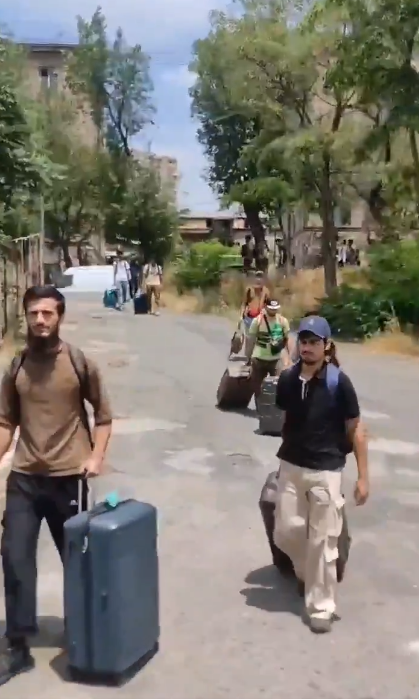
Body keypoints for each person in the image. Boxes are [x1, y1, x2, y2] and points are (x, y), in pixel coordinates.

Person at [0, 285, 112, 685]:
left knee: (78, 563)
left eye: (47, 313)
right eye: (34, 313)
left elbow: (103, 416)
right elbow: (6, 421)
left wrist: (96, 457)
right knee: (14, 558)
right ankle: (18, 646)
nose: (40, 320)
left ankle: (85, 635)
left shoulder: (79, 363)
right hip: (25, 478)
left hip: (70, 479)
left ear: (60, 316)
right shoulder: (17, 366)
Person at [273, 316, 369, 634]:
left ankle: (321, 606)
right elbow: (286, 418)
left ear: (327, 346)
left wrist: (363, 477)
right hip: (291, 466)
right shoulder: (288, 380)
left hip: (326, 471)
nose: (308, 347)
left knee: (322, 543)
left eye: (314, 342)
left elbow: (356, 429)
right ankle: (307, 573)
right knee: (285, 532)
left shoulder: (339, 383)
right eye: (304, 341)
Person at [245, 299, 292, 402]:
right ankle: (259, 405)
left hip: (276, 359)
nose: (273, 311)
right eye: (271, 309)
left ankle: (273, 407)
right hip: (259, 359)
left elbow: (287, 340)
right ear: (266, 307)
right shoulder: (257, 321)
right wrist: (248, 358)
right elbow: (251, 340)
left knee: (278, 386)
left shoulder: (283, 321)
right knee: (257, 386)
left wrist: (289, 359)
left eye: (275, 309)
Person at [240, 272, 270, 354]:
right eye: (257, 277)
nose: (258, 279)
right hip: (249, 318)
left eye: (260, 277)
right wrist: (241, 316)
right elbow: (244, 303)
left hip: (260, 318)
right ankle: (248, 356)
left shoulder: (266, 291)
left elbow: (269, 304)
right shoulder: (249, 290)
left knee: (259, 338)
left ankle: (256, 356)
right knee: (249, 338)